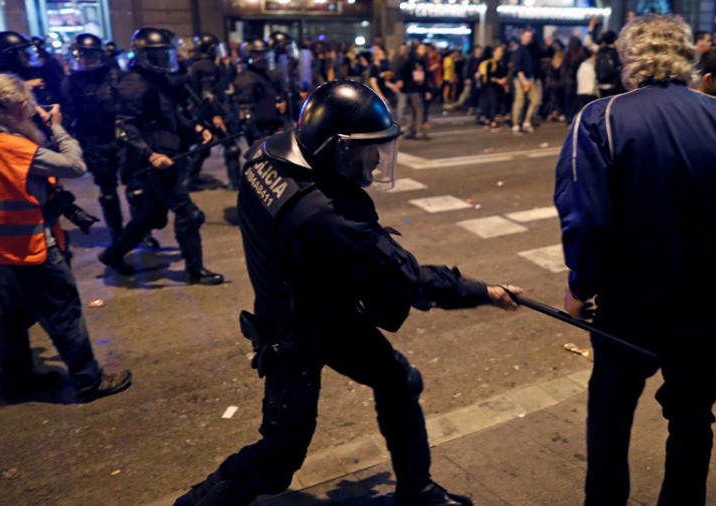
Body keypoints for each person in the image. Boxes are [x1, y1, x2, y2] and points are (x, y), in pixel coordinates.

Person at [173, 81, 522, 506]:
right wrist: (483, 291)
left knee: (397, 380)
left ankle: (416, 490)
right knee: (279, 458)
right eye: (364, 149)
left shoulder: (262, 155)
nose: (374, 158)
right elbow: (407, 279)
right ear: (332, 147)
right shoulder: (329, 213)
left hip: (315, 307)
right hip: (296, 333)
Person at [554, 15, 716, 505]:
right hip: (705, 307)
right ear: (689, 60)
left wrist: (580, 286)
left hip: (627, 309)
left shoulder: (600, 118)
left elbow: (587, 220)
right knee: (693, 421)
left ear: (630, 60)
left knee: (610, 420)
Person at [0, 73, 132, 403]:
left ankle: (16, 378)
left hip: (2, 248)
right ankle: (89, 381)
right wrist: (56, 126)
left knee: (14, 314)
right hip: (32, 246)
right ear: (23, 107)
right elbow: (73, 164)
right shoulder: (11, 146)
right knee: (63, 311)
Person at [98, 28, 224, 285]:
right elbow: (125, 127)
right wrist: (150, 154)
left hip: (167, 154)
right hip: (152, 162)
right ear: (144, 55)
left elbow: (172, 114)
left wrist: (196, 128)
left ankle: (113, 254)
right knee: (189, 214)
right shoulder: (133, 83)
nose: (166, 59)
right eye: (159, 54)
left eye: (167, 53)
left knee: (151, 215)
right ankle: (194, 270)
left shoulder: (159, 79)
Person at [61, 33, 127, 240]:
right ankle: (118, 236)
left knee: (137, 190)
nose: (84, 60)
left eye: (89, 56)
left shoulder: (114, 76)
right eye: (81, 56)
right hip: (94, 142)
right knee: (108, 194)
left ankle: (141, 230)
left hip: (121, 140)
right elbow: (68, 113)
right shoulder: (70, 83)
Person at [187, 33, 242, 191]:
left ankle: (189, 181)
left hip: (201, 111)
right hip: (210, 112)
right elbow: (207, 93)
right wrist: (216, 115)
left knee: (202, 147)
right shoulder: (207, 66)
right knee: (230, 147)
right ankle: (235, 183)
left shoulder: (196, 63)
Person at [234, 37, 286, 145]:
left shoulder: (265, 75)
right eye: (258, 55)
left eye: (264, 54)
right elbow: (245, 110)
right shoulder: (246, 78)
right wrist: (255, 135)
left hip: (272, 127)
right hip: (259, 130)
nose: (262, 58)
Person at [397, 43, 432, 140]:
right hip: (412, 88)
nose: (423, 50)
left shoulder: (423, 61)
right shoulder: (411, 60)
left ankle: (409, 130)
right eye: (421, 48)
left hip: (419, 88)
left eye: (424, 48)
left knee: (413, 110)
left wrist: (427, 91)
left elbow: (425, 77)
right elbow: (401, 71)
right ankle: (419, 131)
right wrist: (400, 81)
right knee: (419, 109)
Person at [511, 30, 542, 133]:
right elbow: (517, 67)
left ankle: (526, 121)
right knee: (519, 101)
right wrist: (523, 80)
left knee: (535, 99)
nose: (528, 38)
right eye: (526, 36)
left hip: (529, 78)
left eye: (530, 36)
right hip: (521, 79)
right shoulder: (519, 49)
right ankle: (515, 124)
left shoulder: (528, 49)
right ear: (522, 36)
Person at [478, 45, 509, 130]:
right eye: (499, 51)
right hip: (489, 86)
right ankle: (491, 121)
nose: (500, 53)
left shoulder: (501, 63)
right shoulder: (490, 63)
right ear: (494, 52)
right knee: (491, 103)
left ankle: (489, 120)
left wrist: (504, 83)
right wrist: (499, 81)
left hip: (496, 87)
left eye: (501, 52)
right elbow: (488, 76)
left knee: (493, 103)